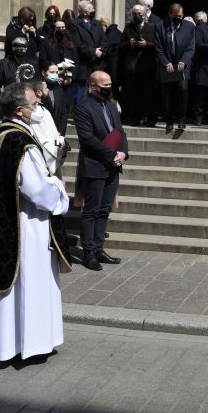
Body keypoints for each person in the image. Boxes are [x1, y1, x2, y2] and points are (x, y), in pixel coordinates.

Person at [0, 82, 71, 362]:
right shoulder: (20, 140)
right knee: (30, 283)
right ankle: (29, 344)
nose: (37, 108)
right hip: (27, 225)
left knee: (20, 285)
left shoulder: (5, 134)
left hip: (12, 219)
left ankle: (10, 344)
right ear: (20, 111)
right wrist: (59, 191)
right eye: (33, 105)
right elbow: (36, 189)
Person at [74, 71, 128, 270]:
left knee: (105, 210)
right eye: (104, 85)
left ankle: (99, 248)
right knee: (92, 211)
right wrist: (111, 154)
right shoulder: (83, 108)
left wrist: (123, 153)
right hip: (95, 165)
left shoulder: (112, 105)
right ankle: (88, 253)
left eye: (110, 85)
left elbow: (120, 131)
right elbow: (87, 138)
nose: (108, 89)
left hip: (114, 166)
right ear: (93, 86)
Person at [154, 3, 195, 130]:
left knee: (182, 89)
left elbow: (191, 47)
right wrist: (166, 62)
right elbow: (158, 47)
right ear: (170, 14)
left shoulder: (189, 26)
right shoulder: (160, 26)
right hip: (167, 64)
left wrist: (184, 61)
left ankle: (181, 119)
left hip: (182, 65)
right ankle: (169, 119)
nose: (179, 18)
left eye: (181, 16)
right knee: (167, 93)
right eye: (176, 16)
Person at [119, 4, 158, 126]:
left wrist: (146, 44)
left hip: (148, 66)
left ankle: (151, 119)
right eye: (134, 13)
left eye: (139, 13)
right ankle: (134, 119)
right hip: (133, 67)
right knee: (133, 94)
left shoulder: (152, 27)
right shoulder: (128, 28)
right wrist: (129, 43)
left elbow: (158, 45)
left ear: (144, 14)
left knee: (149, 94)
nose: (137, 16)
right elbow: (120, 47)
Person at [28, 78, 66, 176]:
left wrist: (59, 139)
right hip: (43, 157)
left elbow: (52, 130)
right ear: (39, 92)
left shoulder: (43, 110)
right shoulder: (32, 114)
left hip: (54, 149)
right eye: (46, 88)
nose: (48, 90)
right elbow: (40, 138)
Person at [70, 0, 106, 102]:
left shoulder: (97, 23)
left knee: (98, 91)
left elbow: (104, 41)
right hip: (83, 63)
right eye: (91, 9)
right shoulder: (75, 24)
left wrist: (101, 52)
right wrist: (93, 52)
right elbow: (78, 43)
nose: (93, 10)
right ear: (84, 12)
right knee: (80, 93)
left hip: (97, 63)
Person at [41, 61, 71, 136]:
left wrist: (60, 132)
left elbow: (63, 114)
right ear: (43, 73)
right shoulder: (37, 89)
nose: (55, 74)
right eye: (52, 72)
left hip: (57, 132)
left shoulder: (59, 90)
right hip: (43, 132)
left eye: (57, 72)